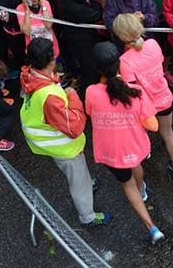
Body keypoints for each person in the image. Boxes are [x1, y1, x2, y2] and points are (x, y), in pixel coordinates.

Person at [20, 37, 112, 228]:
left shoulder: (31, 74)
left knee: (79, 172)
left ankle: (88, 183)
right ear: (51, 62)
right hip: (64, 148)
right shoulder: (50, 97)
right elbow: (75, 126)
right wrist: (72, 95)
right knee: (77, 182)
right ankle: (87, 216)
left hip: (51, 140)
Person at [85, 42, 165, 244]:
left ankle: (152, 227)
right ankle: (142, 190)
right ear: (118, 63)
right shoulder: (135, 91)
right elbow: (154, 125)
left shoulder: (91, 92)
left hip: (111, 151)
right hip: (135, 145)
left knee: (127, 184)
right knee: (135, 165)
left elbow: (89, 112)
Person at [114, 14, 173, 181]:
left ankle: (143, 173)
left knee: (141, 137)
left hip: (144, 108)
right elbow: (160, 62)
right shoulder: (153, 44)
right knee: (168, 133)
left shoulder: (124, 61)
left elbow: (132, 88)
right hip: (164, 98)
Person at [59, 0, 103, 94]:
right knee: (90, 71)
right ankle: (86, 96)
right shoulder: (73, 7)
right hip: (82, 42)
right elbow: (97, 14)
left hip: (75, 38)